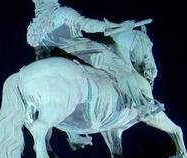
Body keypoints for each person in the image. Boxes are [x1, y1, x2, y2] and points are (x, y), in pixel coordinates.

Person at [27, 0, 163, 117]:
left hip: (50, 61)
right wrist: (119, 26)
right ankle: (143, 106)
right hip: (81, 51)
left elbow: (40, 51)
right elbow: (88, 25)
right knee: (122, 68)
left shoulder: (33, 28)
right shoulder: (63, 13)